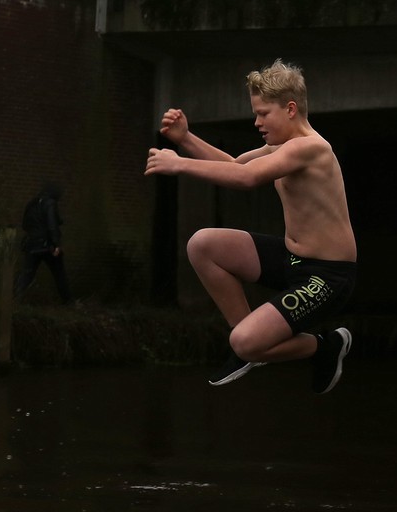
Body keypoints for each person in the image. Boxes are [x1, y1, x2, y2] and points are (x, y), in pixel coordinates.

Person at [145, 60, 356, 393]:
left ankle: (322, 346)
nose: (257, 122)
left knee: (245, 342)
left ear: (290, 109)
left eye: (263, 113)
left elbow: (246, 178)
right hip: (292, 259)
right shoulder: (282, 147)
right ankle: (248, 347)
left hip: (327, 276)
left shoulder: (312, 148)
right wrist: (185, 139)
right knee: (203, 245)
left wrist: (180, 164)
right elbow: (235, 165)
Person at [15, 183, 71, 302]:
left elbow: (25, 225)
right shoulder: (50, 203)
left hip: (32, 244)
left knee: (27, 274)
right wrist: (56, 244)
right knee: (59, 274)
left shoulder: (32, 203)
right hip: (47, 245)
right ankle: (68, 301)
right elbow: (52, 225)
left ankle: (15, 299)